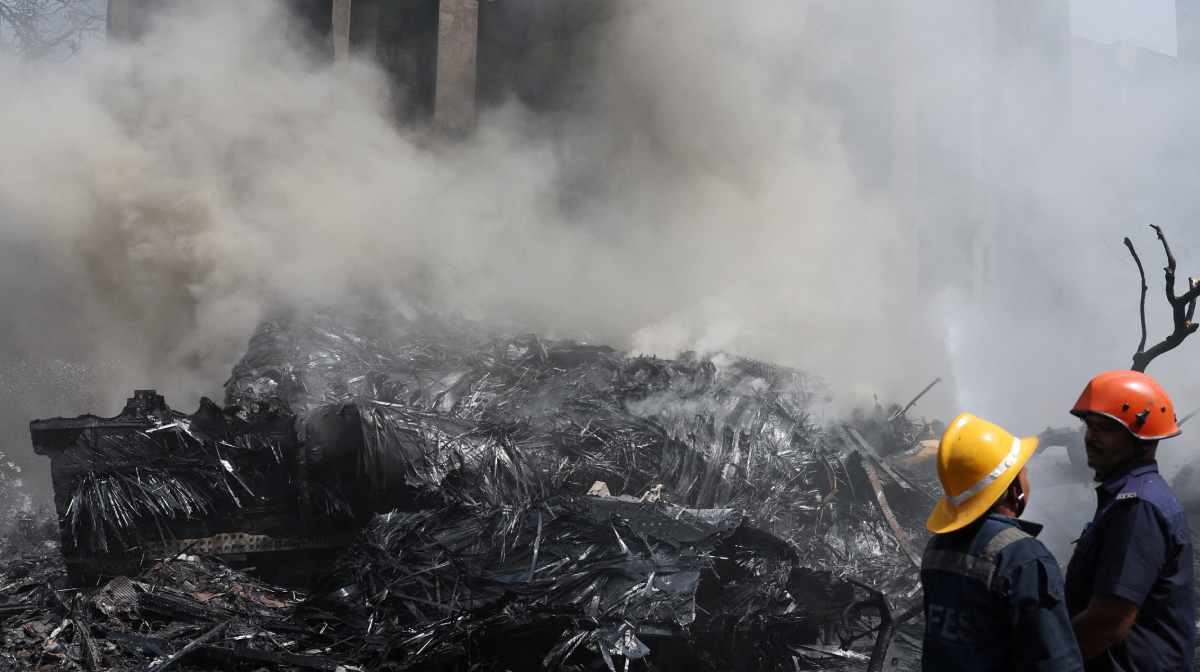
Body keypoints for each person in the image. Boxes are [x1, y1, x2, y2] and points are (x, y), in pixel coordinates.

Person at [921, 412, 1083, 671]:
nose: (1028, 479)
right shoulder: (1024, 557)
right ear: (1013, 489)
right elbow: (1057, 661)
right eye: (1024, 472)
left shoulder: (937, 548)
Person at [1064, 370, 1195, 671]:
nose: (1090, 438)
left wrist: (1041, 658)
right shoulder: (1133, 496)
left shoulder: (1138, 507)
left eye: (1105, 429)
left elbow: (1108, 622)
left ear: (1143, 440)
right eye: (1090, 426)